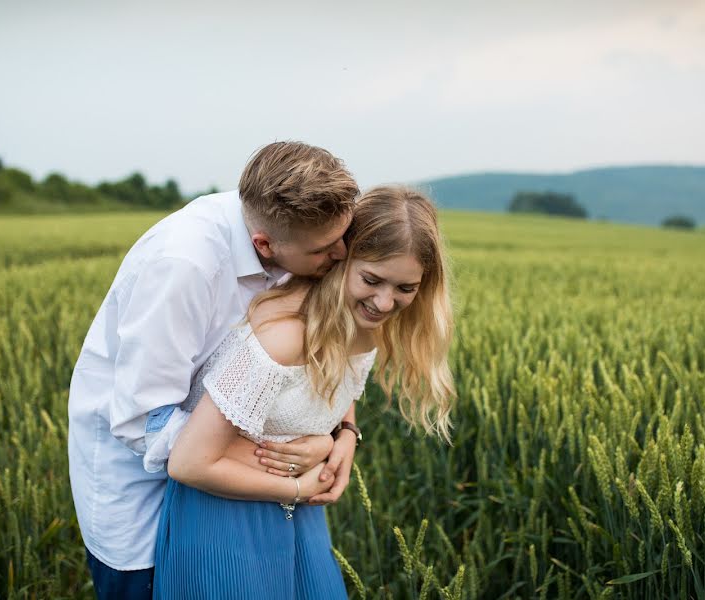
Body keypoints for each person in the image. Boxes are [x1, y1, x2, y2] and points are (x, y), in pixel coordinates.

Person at [67, 141, 361, 599]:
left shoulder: (292, 234)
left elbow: (322, 351)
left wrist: (342, 432)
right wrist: (287, 461)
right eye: (327, 247)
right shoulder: (183, 266)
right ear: (263, 244)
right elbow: (141, 420)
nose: (343, 253)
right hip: (143, 492)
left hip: (235, 486)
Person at [145, 186, 456, 599]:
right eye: (371, 279)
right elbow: (186, 463)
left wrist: (344, 434)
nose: (384, 303)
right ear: (341, 258)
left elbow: (326, 386)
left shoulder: (363, 324)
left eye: (406, 288)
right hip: (223, 517)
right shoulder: (284, 337)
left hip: (300, 519)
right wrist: (297, 488)